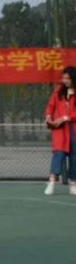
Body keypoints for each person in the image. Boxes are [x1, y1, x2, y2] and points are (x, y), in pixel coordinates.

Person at [43, 66, 76, 196]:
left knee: (74, 157)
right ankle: (51, 182)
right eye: (63, 78)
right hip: (60, 130)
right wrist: (48, 116)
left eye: (67, 78)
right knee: (58, 154)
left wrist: (65, 118)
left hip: (73, 129)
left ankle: (73, 184)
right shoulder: (58, 92)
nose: (64, 80)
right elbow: (50, 106)